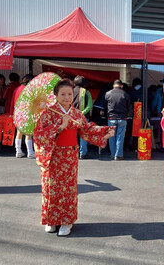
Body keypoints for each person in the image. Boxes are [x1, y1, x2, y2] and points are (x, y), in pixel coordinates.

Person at [33, 79, 114, 236]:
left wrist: (105, 132)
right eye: (62, 94)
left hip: (69, 155)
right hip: (53, 155)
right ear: (56, 95)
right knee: (51, 187)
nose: (67, 97)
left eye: (69, 94)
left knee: (68, 189)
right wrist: (59, 126)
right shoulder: (48, 113)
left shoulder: (76, 113)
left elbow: (87, 129)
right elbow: (38, 135)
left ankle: (66, 221)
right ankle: (51, 219)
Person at [104, 80, 131, 160]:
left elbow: (106, 106)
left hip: (111, 118)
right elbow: (128, 107)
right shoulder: (125, 94)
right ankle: (118, 155)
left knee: (111, 137)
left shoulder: (108, 94)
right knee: (120, 137)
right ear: (121, 86)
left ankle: (113, 154)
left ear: (113, 85)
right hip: (122, 118)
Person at [13, 74, 35, 158]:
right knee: (28, 133)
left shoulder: (17, 89)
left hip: (18, 112)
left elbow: (13, 101)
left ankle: (18, 150)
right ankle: (30, 152)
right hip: (27, 112)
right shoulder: (29, 90)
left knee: (19, 132)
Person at [73, 76, 93, 159]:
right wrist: (81, 113)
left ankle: (73, 153)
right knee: (83, 136)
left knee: (72, 135)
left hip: (72, 117)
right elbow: (89, 105)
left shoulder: (70, 91)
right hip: (83, 117)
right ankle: (82, 154)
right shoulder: (87, 92)